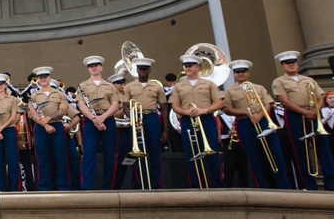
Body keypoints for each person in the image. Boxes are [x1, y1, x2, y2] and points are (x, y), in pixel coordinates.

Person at [272, 51, 334, 190]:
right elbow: (285, 101)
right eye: (288, 63)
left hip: (313, 114)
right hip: (295, 116)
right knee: (300, 152)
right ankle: (309, 186)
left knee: (324, 150)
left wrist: (315, 112)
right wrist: (305, 112)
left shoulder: (309, 80)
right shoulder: (279, 81)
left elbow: (320, 98)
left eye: (293, 62)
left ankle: (332, 185)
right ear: (283, 66)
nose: (292, 65)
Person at [223, 61, 290, 189]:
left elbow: (268, 103)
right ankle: (263, 186)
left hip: (263, 121)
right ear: (234, 74)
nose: (241, 74)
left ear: (248, 73)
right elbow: (227, 109)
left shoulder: (259, 87)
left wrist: (259, 115)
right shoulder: (230, 91)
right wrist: (246, 113)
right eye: (237, 72)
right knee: (254, 157)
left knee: (275, 154)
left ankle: (283, 186)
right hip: (244, 123)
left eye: (243, 71)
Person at [169, 54, 224, 188]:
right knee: (191, 153)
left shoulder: (209, 84)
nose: (187, 68)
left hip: (206, 119)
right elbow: (174, 105)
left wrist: (204, 109)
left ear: (198, 67)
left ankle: (217, 185)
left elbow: (219, 103)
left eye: (190, 65)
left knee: (212, 152)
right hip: (188, 120)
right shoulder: (178, 86)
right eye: (186, 66)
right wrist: (186, 112)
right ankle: (196, 184)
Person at [122, 57, 167, 190]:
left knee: (154, 152)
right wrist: (133, 118)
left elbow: (164, 108)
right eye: (140, 69)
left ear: (149, 70)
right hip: (136, 119)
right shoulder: (129, 86)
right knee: (137, 152)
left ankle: (155, 184)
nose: (142, 71)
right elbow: (125, 105)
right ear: (137, 70)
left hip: (152, 118)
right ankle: (139, 184)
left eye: (145, 69)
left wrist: (166, 130)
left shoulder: (157, 86)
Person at [77, 57, 120, 190]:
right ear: (88, 69)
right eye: (91, 66)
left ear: (101, 67)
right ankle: (86, 188)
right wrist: (95, 119)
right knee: (89, 155)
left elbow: (115, 104)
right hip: (91, 121)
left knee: (110, 155)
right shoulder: (82, 86)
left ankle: (108, 187)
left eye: (96, 65)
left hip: (107, 120)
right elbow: (81, 104)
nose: (94, 68)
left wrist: (103, 117)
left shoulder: (110, 85)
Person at [25, 69, 71, 191]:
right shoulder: (34, 96)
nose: (43, 79)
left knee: (60, 157)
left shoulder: (59, 93)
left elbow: (63, 110)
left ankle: (63, 186)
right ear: (38, 80)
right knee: (43, 158)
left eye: (45, 77)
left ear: (50, 78)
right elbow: (32, 113)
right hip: (41, 128)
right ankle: (44, 186)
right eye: (40, 77)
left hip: (56, 126)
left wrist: (49, 118)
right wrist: (45, 124)